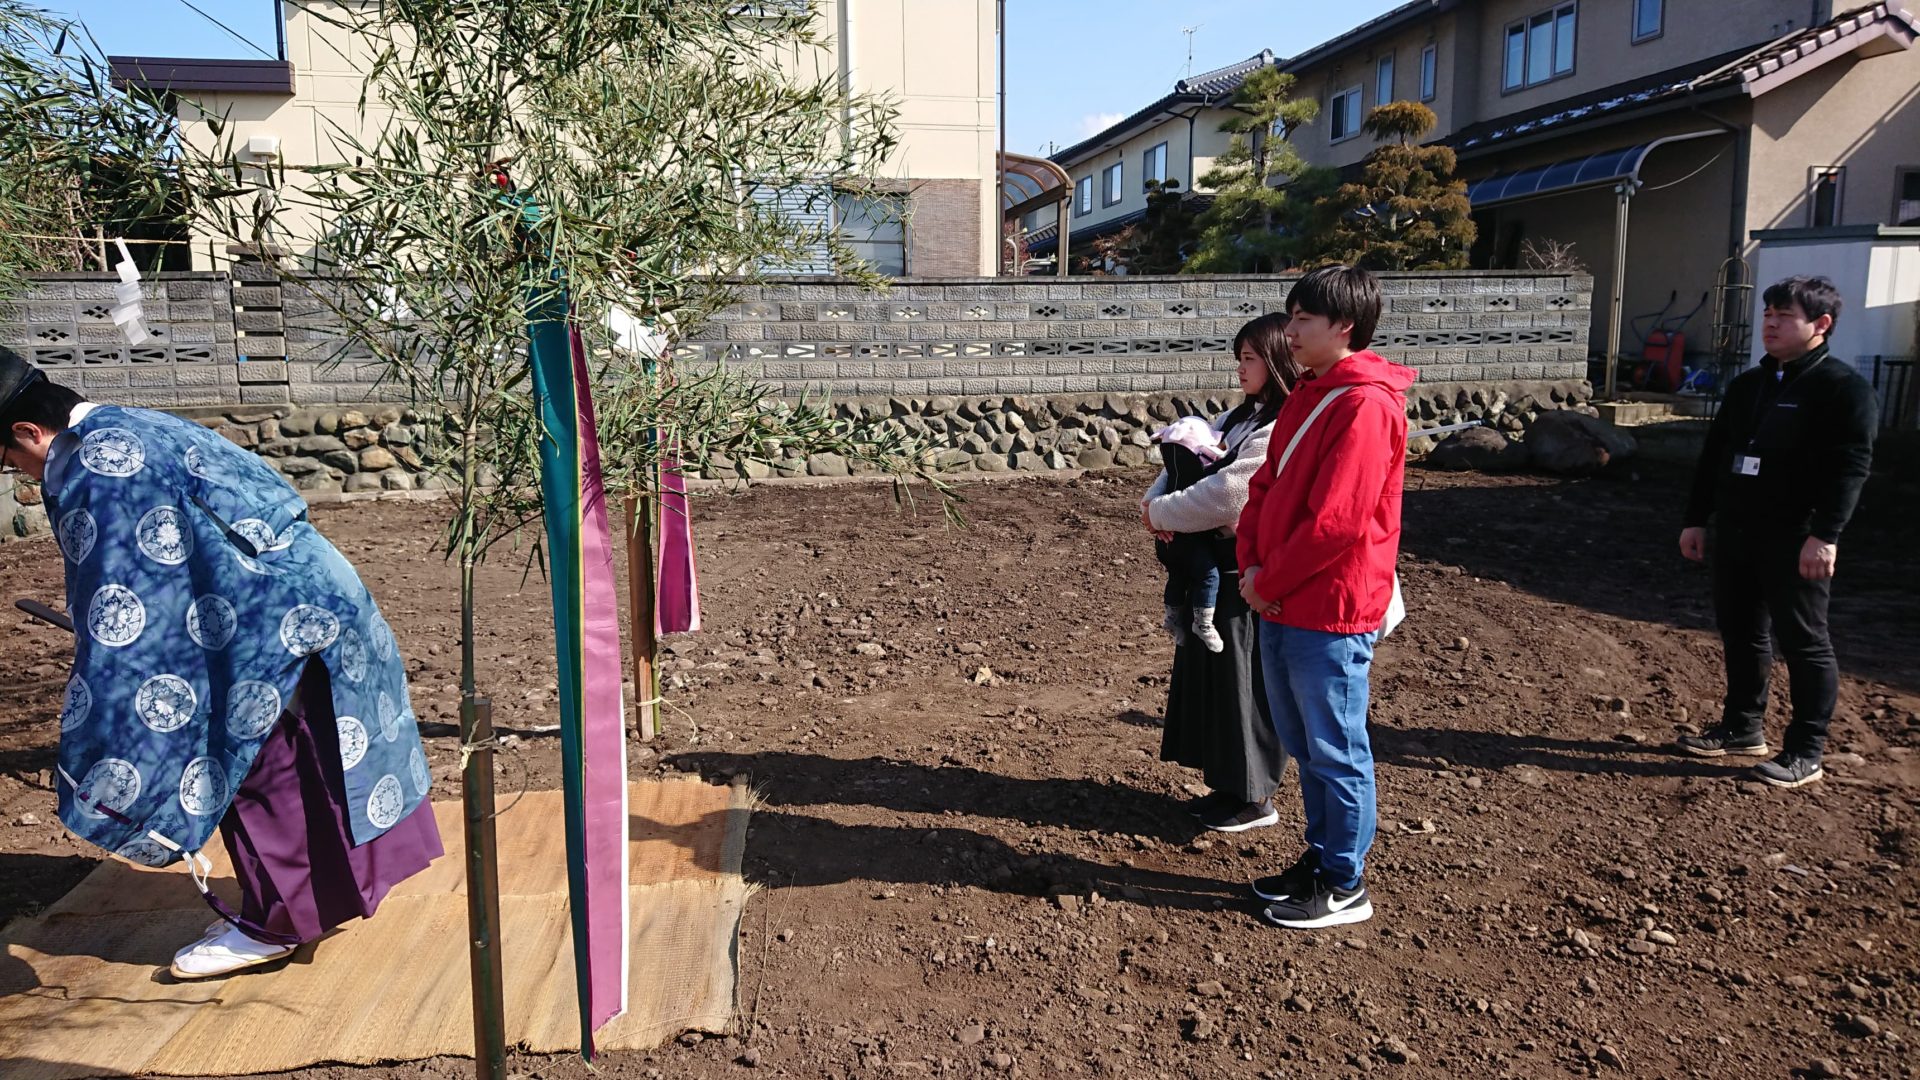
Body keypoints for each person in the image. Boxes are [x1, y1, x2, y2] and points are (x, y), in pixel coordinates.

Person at [0, 346, 442, 979]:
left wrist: (108, 681)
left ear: (27, 431)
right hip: (301, 592)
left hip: (266, 621)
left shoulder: (102, 464)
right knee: (307, 755)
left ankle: (277, 923)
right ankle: (291, 905)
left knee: (259, 762)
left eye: (11, 459)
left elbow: (130, 587)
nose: (19, 473)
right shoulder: (129, 421)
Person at [1237, 266, 1411, 930]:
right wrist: (1252, 565)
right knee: (1307, 743)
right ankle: (1322, 859)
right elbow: (1265, 489)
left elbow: (1337, 523)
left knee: (1335, 746)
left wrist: (1264, 578)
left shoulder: (1363, 404)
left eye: (1304, 319)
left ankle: (1344, 880)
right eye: (1292, 316)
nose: (1292, 331)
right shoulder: (1314, 392)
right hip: (1285, 598)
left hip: (1329, 607)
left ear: (1345, 326)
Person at [1676, 275, 1876, 789]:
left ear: (1821, 325)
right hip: (1737, 531)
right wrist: (1696, 519)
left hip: (1796, 536)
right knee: (1742, 633)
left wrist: (1826, 533)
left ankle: (1806, 752)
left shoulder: (1842, 390)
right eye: (1768, 313)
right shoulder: (1750, 385)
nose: (1770, 323)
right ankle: (1743, 728)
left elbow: (1850, 468)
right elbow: (1715, 457)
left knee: (1805, 642)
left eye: (1785, 315)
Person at [1142, 313, 1297, 834]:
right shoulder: (1241, 417)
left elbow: (1231, 492)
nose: (1240, 368)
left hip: (1243, 571)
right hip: (1212, 563)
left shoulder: (1282, 426)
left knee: (1243, 680)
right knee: (1216, 677)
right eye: (1239, 358)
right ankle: (1229, 785)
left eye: (1250, 358)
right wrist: (1154, 504)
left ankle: (1256, 795)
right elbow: (1183, 461)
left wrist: (1162, 514)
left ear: (1277, 361)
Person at [1151, 414, 1230, 652]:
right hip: (1189, 536)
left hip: (1165, 539)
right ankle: (1203, 623)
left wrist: (1155, 515)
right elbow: (1225, 463)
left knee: (1178, 575)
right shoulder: (1203, 464)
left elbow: (1149, 503)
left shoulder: (1171, 467)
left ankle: (1172, 619)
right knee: (1208, 576)